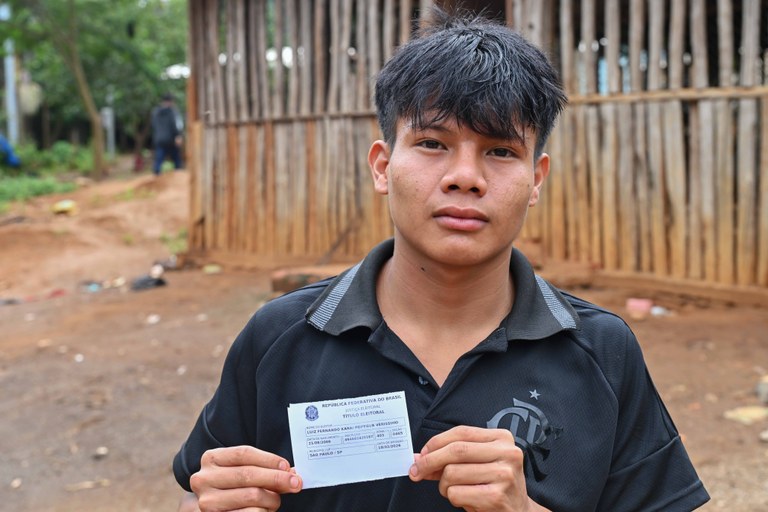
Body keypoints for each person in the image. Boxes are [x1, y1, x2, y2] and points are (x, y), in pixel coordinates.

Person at [173, 8, 710, 512]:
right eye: (433, 143)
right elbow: (208, 487)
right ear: (383, 167)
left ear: (535, 181)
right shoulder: (280, 339)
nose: (465, 176)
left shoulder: (602, 351)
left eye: (500, 151)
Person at [150, 92, 183, 175]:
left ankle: (156, 175)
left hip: (159, 139)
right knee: (176, 159)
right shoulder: (173, 112)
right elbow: (176, 125)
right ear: (171, 101)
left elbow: (153, 125)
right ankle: (178, 175)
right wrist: (178, 135)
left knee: (159, 159)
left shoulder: (156, 112)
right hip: (171, 139)